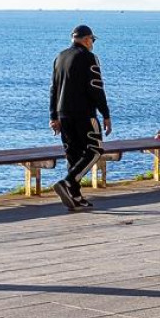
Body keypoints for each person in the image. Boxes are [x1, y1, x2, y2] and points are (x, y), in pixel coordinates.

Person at [49, 23, 111, 212]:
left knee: (73, 155)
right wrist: (106, 114)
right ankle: (68, 182)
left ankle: (75, 195)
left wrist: (53, 116)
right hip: (84, 114)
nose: (92, 43)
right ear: (86, 39)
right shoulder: (89, 58)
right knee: (95, 150)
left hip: (63, 114)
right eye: (92, 40)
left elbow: (54, 89)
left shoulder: (60, 57)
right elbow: (96, 87)